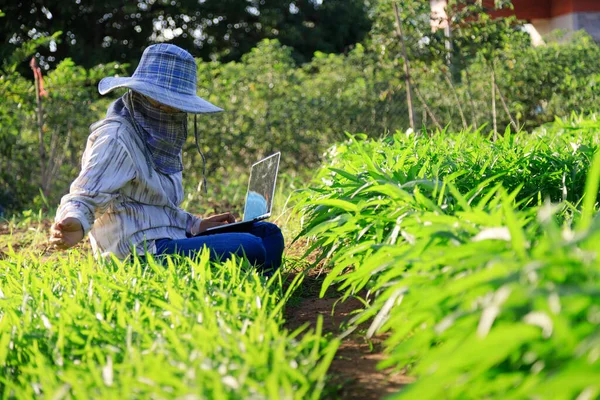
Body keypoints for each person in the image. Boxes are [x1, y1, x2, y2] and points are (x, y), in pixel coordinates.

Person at [49, 44, 284, 274]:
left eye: (175, 105)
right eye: (160, 101)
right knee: (249, 246)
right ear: (140, 94)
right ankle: (245, 280)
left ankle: (256, 284)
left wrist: (196, 224)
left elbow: (158, 207)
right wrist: (74, 222)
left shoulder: (159, 136)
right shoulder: (117, 138)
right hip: (139, 254)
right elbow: (83, 194)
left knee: (267, 233)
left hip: (168, 238)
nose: (169, 110)